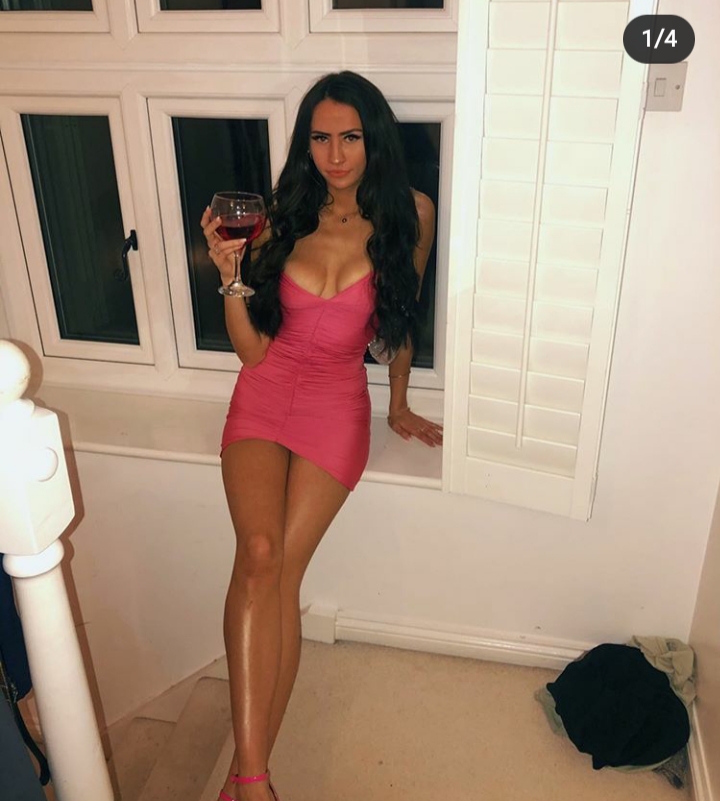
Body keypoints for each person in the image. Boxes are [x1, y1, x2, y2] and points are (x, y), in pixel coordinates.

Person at [200, 70, 443, 801]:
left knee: (282, 574)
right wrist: (230, 274)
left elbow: (403, 316)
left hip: (337, 404)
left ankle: (244, 775)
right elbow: (251, 353)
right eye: (320, 138)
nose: (335, 155)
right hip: (264, 393)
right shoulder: (280, 218)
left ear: (374, 140)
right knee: (259, 555)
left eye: (350, 138)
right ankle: (252, 779)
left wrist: (399, 402)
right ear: (305, 145)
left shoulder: (412, 213)